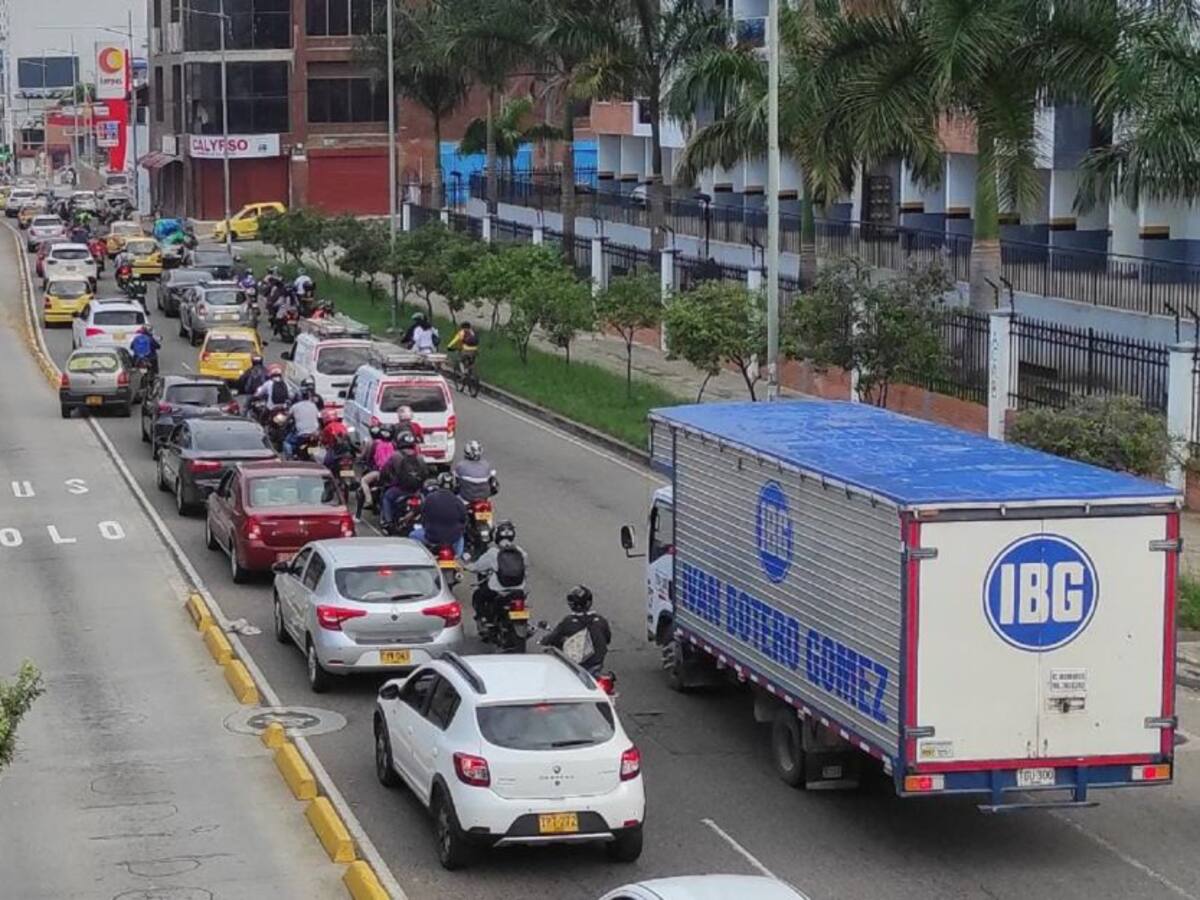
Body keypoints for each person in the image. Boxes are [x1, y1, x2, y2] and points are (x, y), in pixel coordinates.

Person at [540, 585, 612, 673]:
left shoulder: (568, 622)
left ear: (571, 604)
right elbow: (607, 639)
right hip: (597, 664)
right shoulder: (601, 620)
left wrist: (543, 640)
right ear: (589, 602)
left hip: (576, 666)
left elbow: (553, 637)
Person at [467, 520, 527, 623]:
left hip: (497, 590)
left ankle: (483, 619)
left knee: (478, 596)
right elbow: (525, 569)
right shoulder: (521, 552)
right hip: (519, 590)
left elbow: (477, 567)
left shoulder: (493, 553)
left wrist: (467, 566)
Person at [409, 471, 467, 556]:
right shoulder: (458, 501)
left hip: (432, 537)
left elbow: (423, 514)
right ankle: (458, 558)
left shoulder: (430, 498)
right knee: (461, 538)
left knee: (413, 535)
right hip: (452, 538)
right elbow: (463, 518)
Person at [379, 431, 428, 528]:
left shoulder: (396, 455)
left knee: (387, 497)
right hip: (416, 491)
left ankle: (388, 522)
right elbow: (425, 473)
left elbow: (385, 471)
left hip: (400, 489)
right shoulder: (420, 457)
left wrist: (383, 479)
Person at [283, 389, 322, 459]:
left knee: (287, 442)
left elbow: (287, 419)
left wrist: (284, 425)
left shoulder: (295, 406)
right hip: (315, 435)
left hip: (302, 435)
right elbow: (318, 417)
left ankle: (290, 459)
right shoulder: (313, 405)